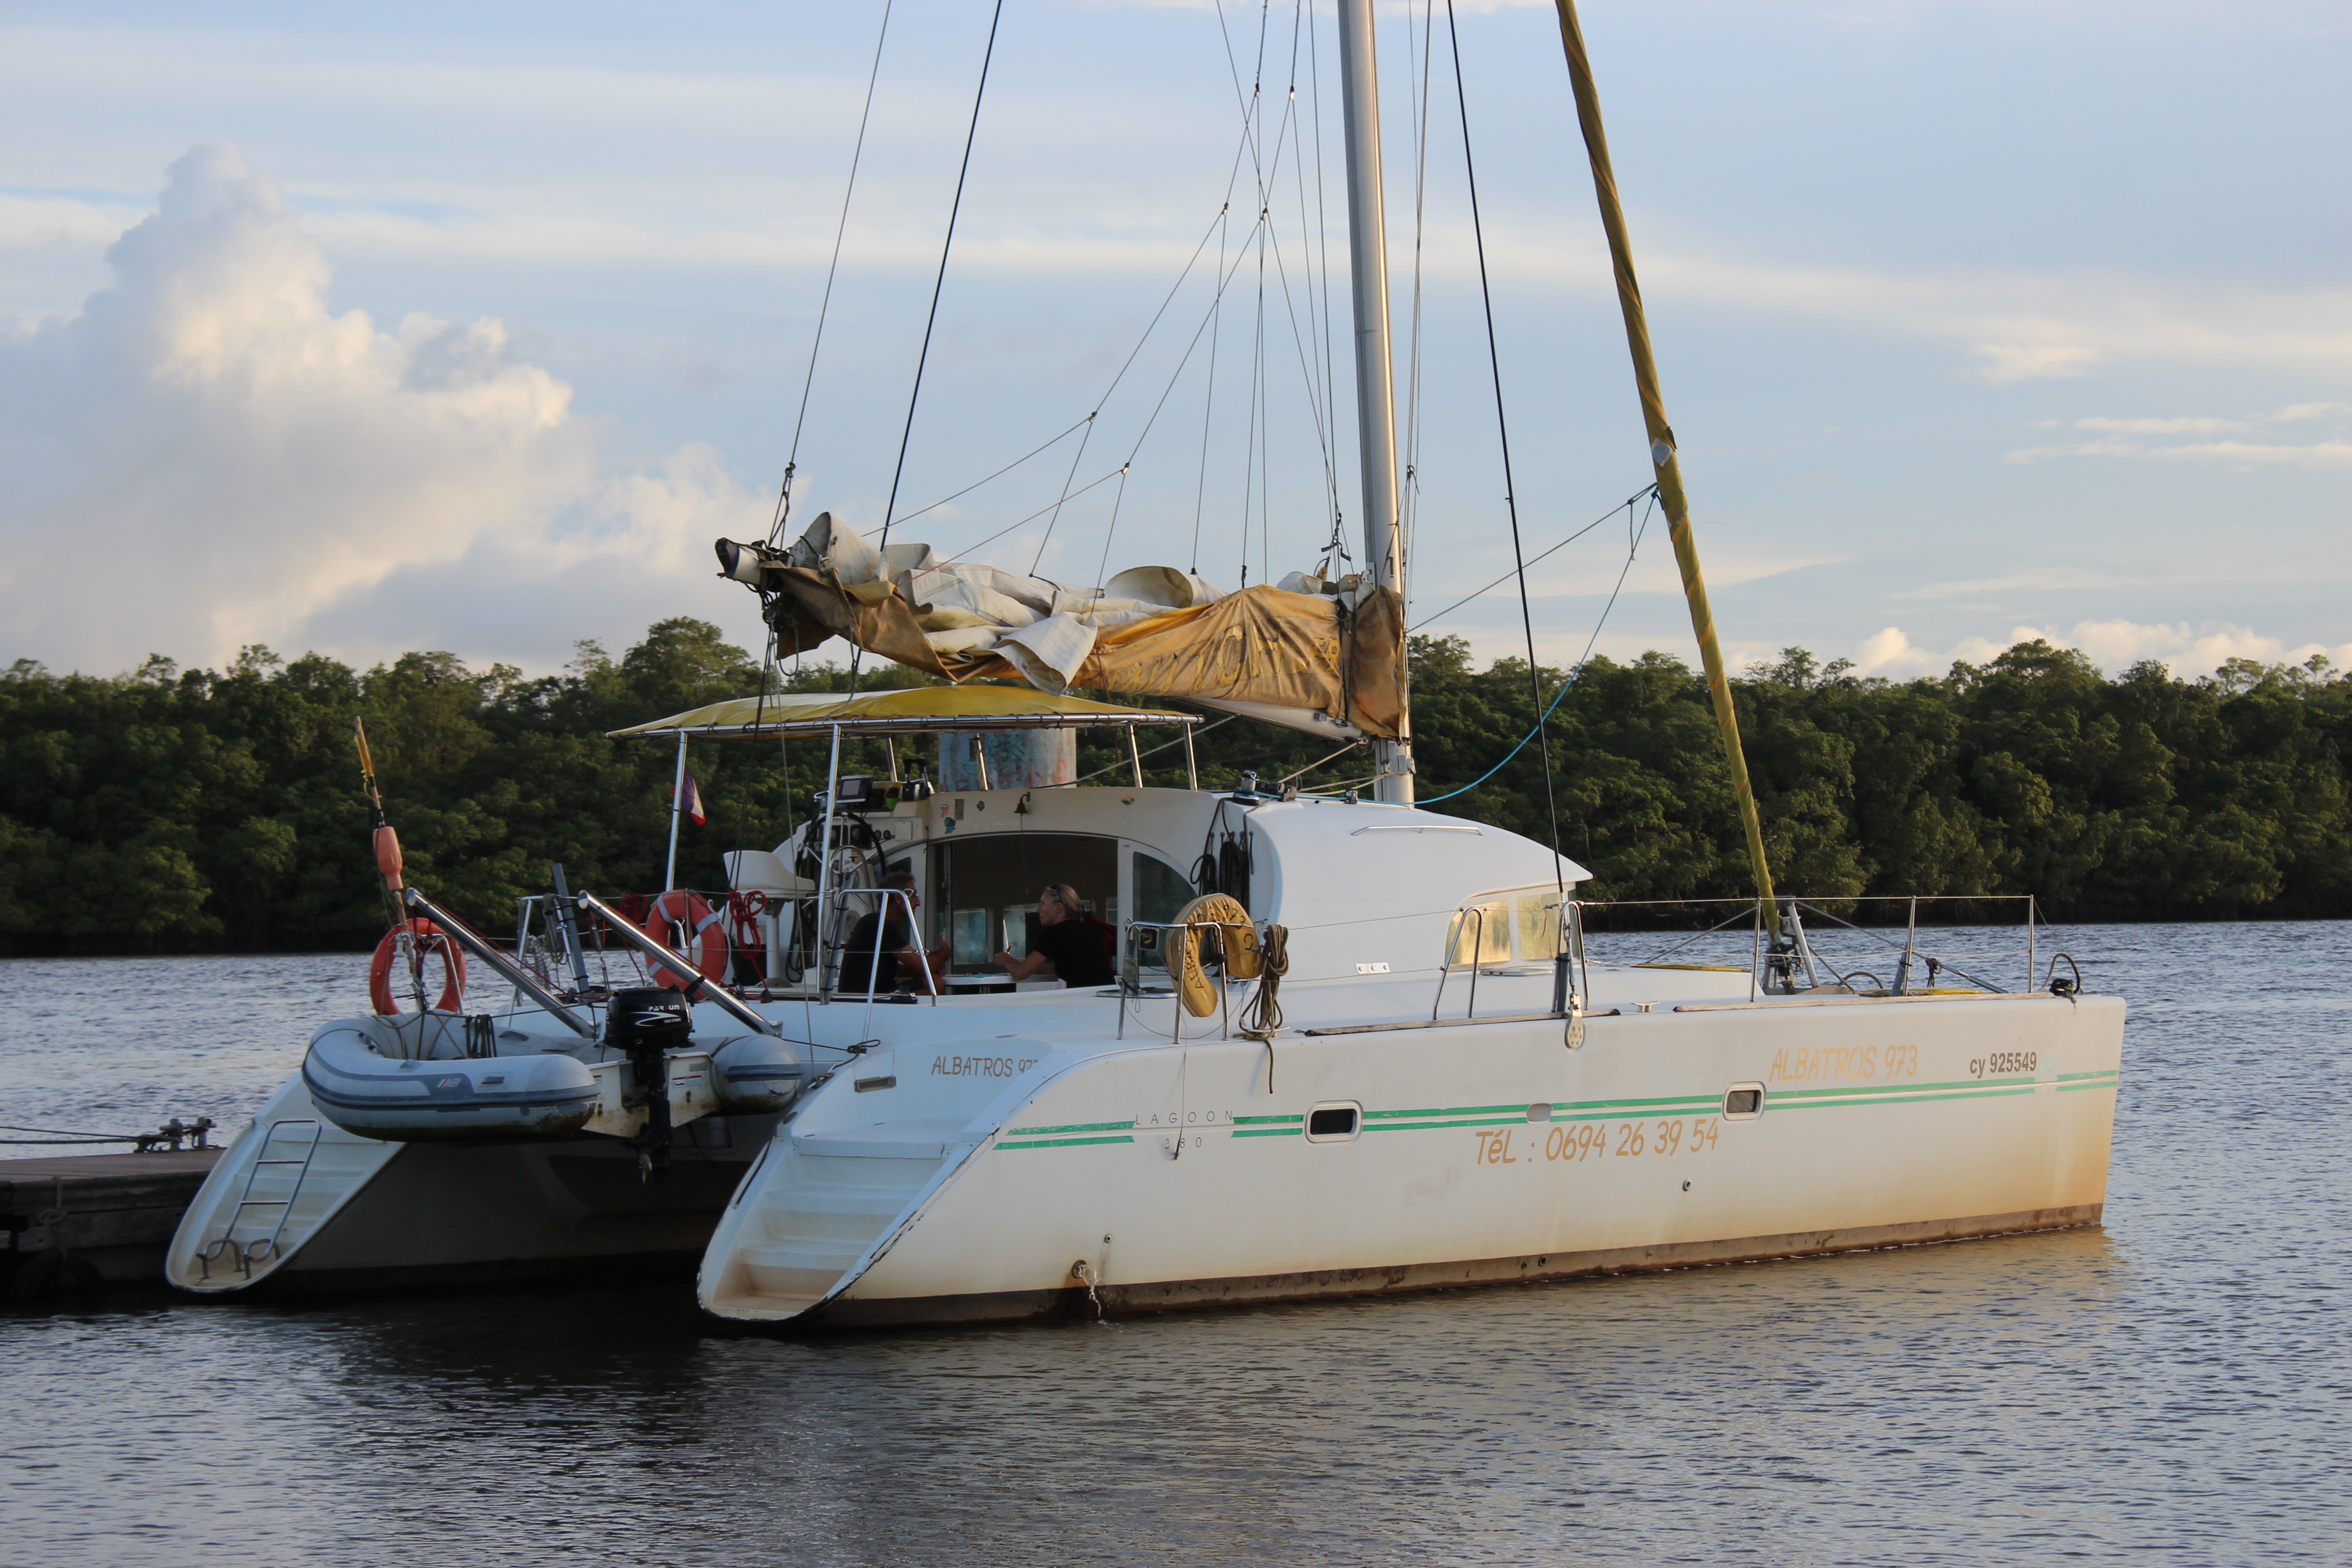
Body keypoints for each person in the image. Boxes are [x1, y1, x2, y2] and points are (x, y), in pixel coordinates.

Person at [839, 869, 947, 994]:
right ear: (898, 898)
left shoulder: (871, 922)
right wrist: (945, 951)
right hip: (866, 1002)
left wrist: (927, 970)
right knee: (935, 983)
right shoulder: (881, 924)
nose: (918, 902)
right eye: (914, 896)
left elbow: (892, 970)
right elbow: (923, 966)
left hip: (858, 1000)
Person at [993, 883, 1114, 988]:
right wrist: (1030, 966)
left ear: (1059, 908)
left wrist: (1007, 961)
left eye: (1042, 904)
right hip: (1106, 996)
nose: (1038, 910)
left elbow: (1020, 974)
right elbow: (1069, 967)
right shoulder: (1091, 929)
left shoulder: (1055, 933)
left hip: (1083, 999)